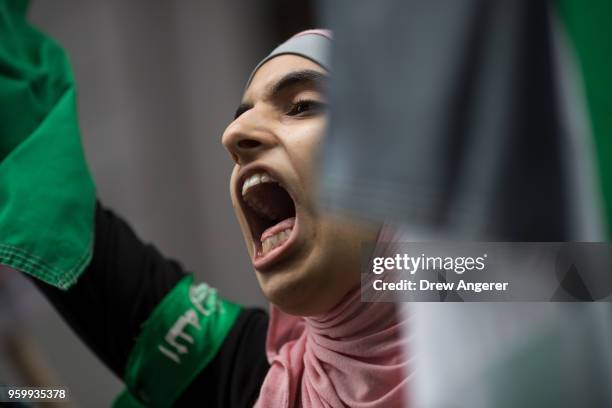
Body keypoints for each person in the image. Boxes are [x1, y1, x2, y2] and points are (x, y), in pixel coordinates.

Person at [1, 14, 410, 407]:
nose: (233, 135)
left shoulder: (469, 310)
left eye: (301, 106)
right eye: (242, 115)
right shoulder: (240, 379)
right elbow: (50, 198)